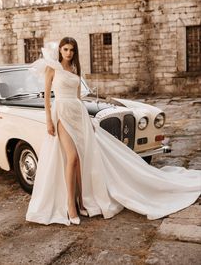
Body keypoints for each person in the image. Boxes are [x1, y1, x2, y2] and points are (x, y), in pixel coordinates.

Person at [26, 37, 201, 226]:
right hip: (61, 113)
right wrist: (49, 122)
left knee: (83, 159)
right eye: (66, 49)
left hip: (78, 114)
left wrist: (89, 119)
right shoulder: (52, 69)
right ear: (60, 50)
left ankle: (81, 200)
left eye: (72, 50)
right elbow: (46, 98)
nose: (69, 53)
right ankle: (70, 205)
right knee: (73, 157)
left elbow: (78, 98)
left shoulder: (75, 70)